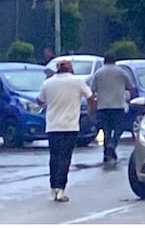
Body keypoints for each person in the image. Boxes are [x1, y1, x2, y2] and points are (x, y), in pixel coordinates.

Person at [37, 60, 92, 202]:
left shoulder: (48, 83)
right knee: (65, 157)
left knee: (54, 156)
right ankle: (61, 189)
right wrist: (92, 113)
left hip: (53, 125)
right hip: (70, 126)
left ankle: (53, 187)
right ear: (70, 69)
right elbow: (91, 97)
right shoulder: (77, 81)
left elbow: (39, 100)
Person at [89, 53, 135, 164]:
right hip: (118, 105)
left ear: (104, 61)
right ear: (114, 61)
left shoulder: (98, 73)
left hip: (103, 106)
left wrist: (93, 106)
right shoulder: (121, 72)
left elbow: (92, 90)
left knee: (106, 130)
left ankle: (107, 153)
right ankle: (113, 144)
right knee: (119, 128)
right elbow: (131, 87)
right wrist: (130, 99)